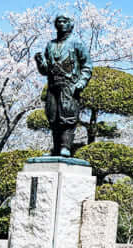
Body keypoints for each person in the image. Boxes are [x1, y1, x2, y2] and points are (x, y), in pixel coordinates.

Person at [34, 15, 92, 157]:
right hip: (53, 86)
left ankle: (65, 147)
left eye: (64, 21)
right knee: (53, 117)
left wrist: (81, 82)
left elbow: (87, 65)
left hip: (70, 85)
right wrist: (40, 62)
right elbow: (45, 71)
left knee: (68, 116)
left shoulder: (77, 43)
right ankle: (55, 149)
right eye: (58, 21)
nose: (61, 24)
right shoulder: (50, 45)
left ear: (70, 24)